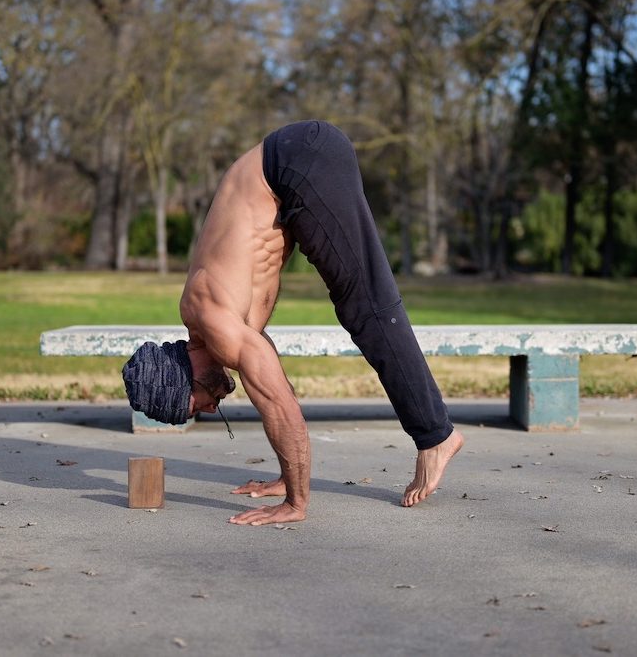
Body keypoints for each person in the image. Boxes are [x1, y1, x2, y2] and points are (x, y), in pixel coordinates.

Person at [122, 120, 463, 526]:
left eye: (198, 405)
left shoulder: (212, 317)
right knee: (358, 303)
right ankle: (432, 433)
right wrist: (287, 478)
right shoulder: (217, 325)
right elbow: (277, 387)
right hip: (294, 165)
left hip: (299, 160)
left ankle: (435, 436)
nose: (212, 408)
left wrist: (295, 504)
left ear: (183, 375)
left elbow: (278, 405)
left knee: (366, 303)